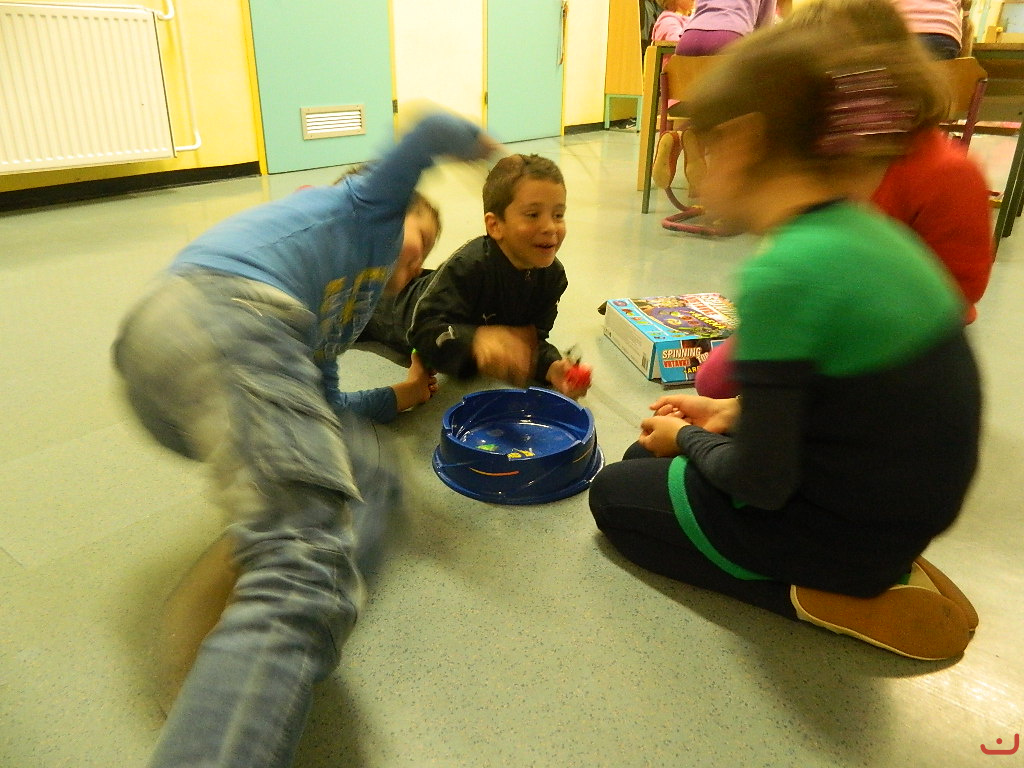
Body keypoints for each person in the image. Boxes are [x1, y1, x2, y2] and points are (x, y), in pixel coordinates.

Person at [112, 111, 496, 768]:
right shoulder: (364, 208)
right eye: (416, 239)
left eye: (424, 258)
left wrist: (397, 397)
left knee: (372, 473)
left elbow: (323, 407)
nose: (412, 264)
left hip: (166, 361)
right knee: (305, 561)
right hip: (223, 319)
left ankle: (251, 603)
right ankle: (270, 614)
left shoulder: (338, 313)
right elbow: (426, 130)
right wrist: (487, 150)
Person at [589, 24, 982, 661]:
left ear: (743, 141)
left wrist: (687, 437)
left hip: (839, 528)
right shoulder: (868, 232)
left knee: (614, 495)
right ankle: (884, 565)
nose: (696, 173)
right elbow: (847, 398)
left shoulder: (783, 270)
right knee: (647, 459)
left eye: (702, 149)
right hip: (899, 508)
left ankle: (822, 592)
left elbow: (759, 483)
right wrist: (726, 412)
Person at [694, 0, 993, 398]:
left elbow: (958, 291)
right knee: (714, 377)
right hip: (833, 308)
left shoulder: (944, 172)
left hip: (893, 337)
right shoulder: (828, 161)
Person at [361, 153, 592, 400]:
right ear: (495, 226)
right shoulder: (469, 265)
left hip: (440, 301)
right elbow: (424, 330)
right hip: (392, 307)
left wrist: (552, 368)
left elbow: (530, 344)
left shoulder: (553, 278)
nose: (550, 227)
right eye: (533, 214)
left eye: (558, 215)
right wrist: (476, 341)